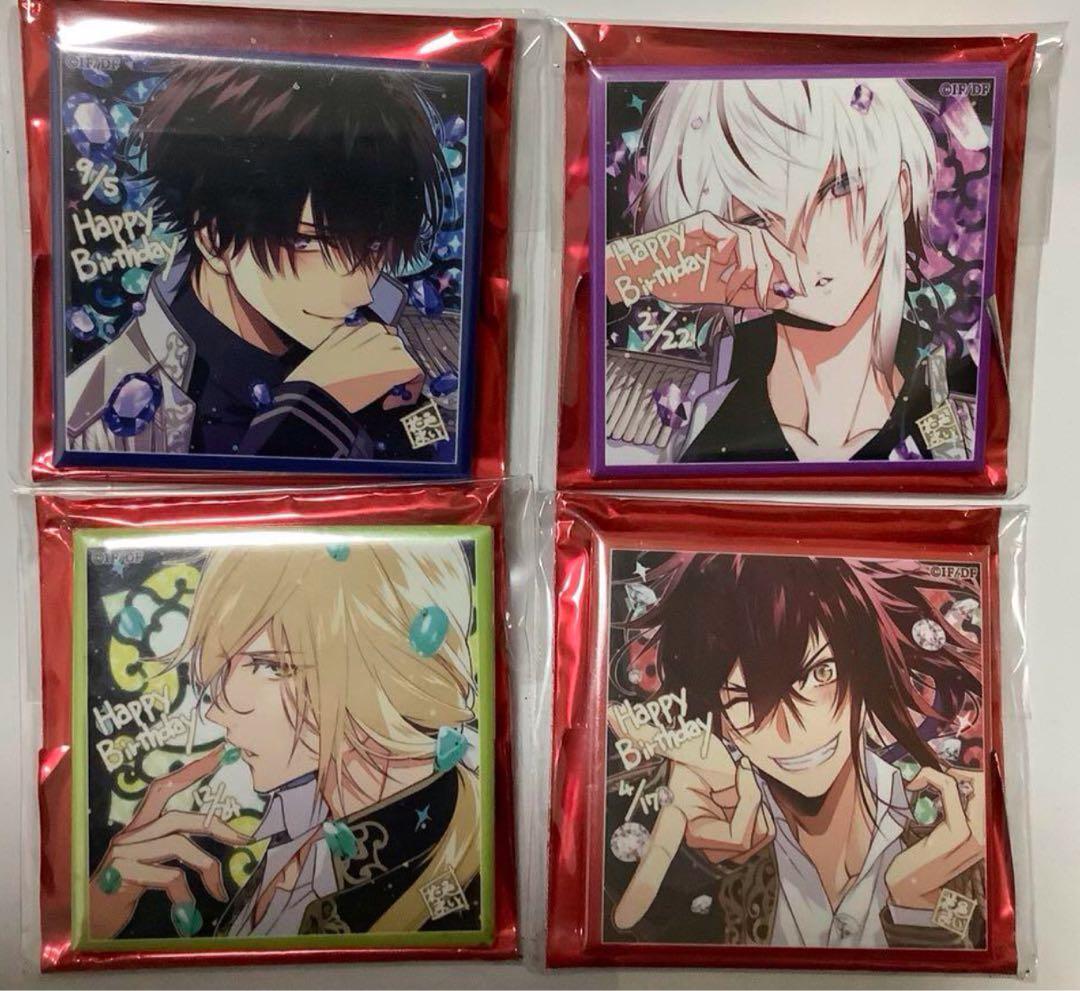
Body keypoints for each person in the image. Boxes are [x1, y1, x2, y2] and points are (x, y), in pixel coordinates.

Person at [88, 539, 481, 938]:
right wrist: (96, 922)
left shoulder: (467, 872)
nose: (216, 709)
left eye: (268, 665)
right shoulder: (301, 825)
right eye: (227, 665)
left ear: (382, 669)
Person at [66, 58, 451, 460]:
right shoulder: (94, 422)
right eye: (307, 242)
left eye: (371, 247)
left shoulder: (388, 346)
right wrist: (312, 412)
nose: (358, 291)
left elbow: (442, 477)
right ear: (214, 238)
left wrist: (408, 422)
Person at [606, 553, 986, 948]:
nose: (791, 733)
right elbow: (639, 941)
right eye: (744, 698)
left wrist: (916, 903)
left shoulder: (950, 823)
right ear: (719, 715)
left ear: (863, 671)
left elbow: (978, 941)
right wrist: (693, 861)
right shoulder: (722, 831)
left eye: (820, 673)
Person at [605, 77, 978, 463]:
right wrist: (628, 269)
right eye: (756, 218)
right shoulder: (690, 413)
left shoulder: (953, 417)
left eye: (839, 186)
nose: (804, 241)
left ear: (898, 191)